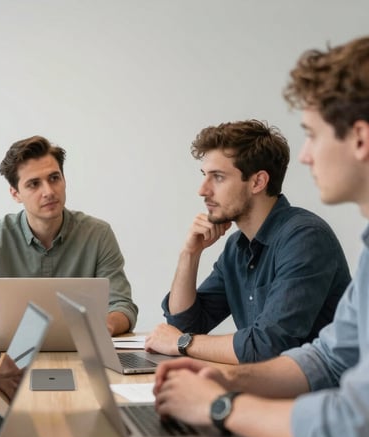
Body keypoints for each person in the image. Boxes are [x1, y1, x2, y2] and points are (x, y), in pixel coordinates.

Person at [153, 34, 369, 437]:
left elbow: (357, 429)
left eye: (312, 134)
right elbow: (329, 357)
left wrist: (221, 406)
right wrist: (226, 377)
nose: (306, 154)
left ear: (360, 138)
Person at [145, 120, 351, 364]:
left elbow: (268, 347)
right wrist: (189, 254)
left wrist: (181, 343)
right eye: (204, 176)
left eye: (218, 177)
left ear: (257, 182)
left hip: (312, 395)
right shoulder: (237, 247)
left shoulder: (305, 238)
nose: (202, 190)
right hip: (265, 388)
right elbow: (186, 324)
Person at [0, 135, 138, 336]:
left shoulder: (98, 234)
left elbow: (122, 305)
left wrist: (105, 325)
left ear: (64, 180)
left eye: (54, 178)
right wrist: (10, 332)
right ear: (15, 194)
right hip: (12, 352)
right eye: (34, 184)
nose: (49, 191)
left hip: (84, 350)